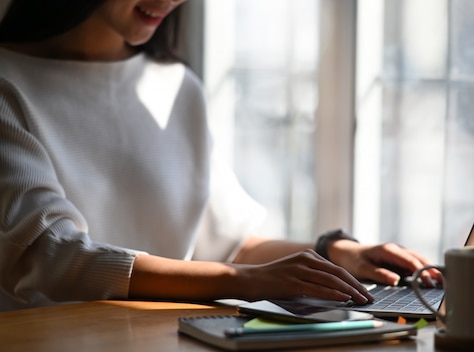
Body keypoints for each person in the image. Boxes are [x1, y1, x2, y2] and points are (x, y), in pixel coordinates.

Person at [0, 0, 439, 311]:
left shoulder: (175, 86)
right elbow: (52, 257)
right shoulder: (9, 85)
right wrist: (242, 282)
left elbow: (226, 242)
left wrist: (337, 252)